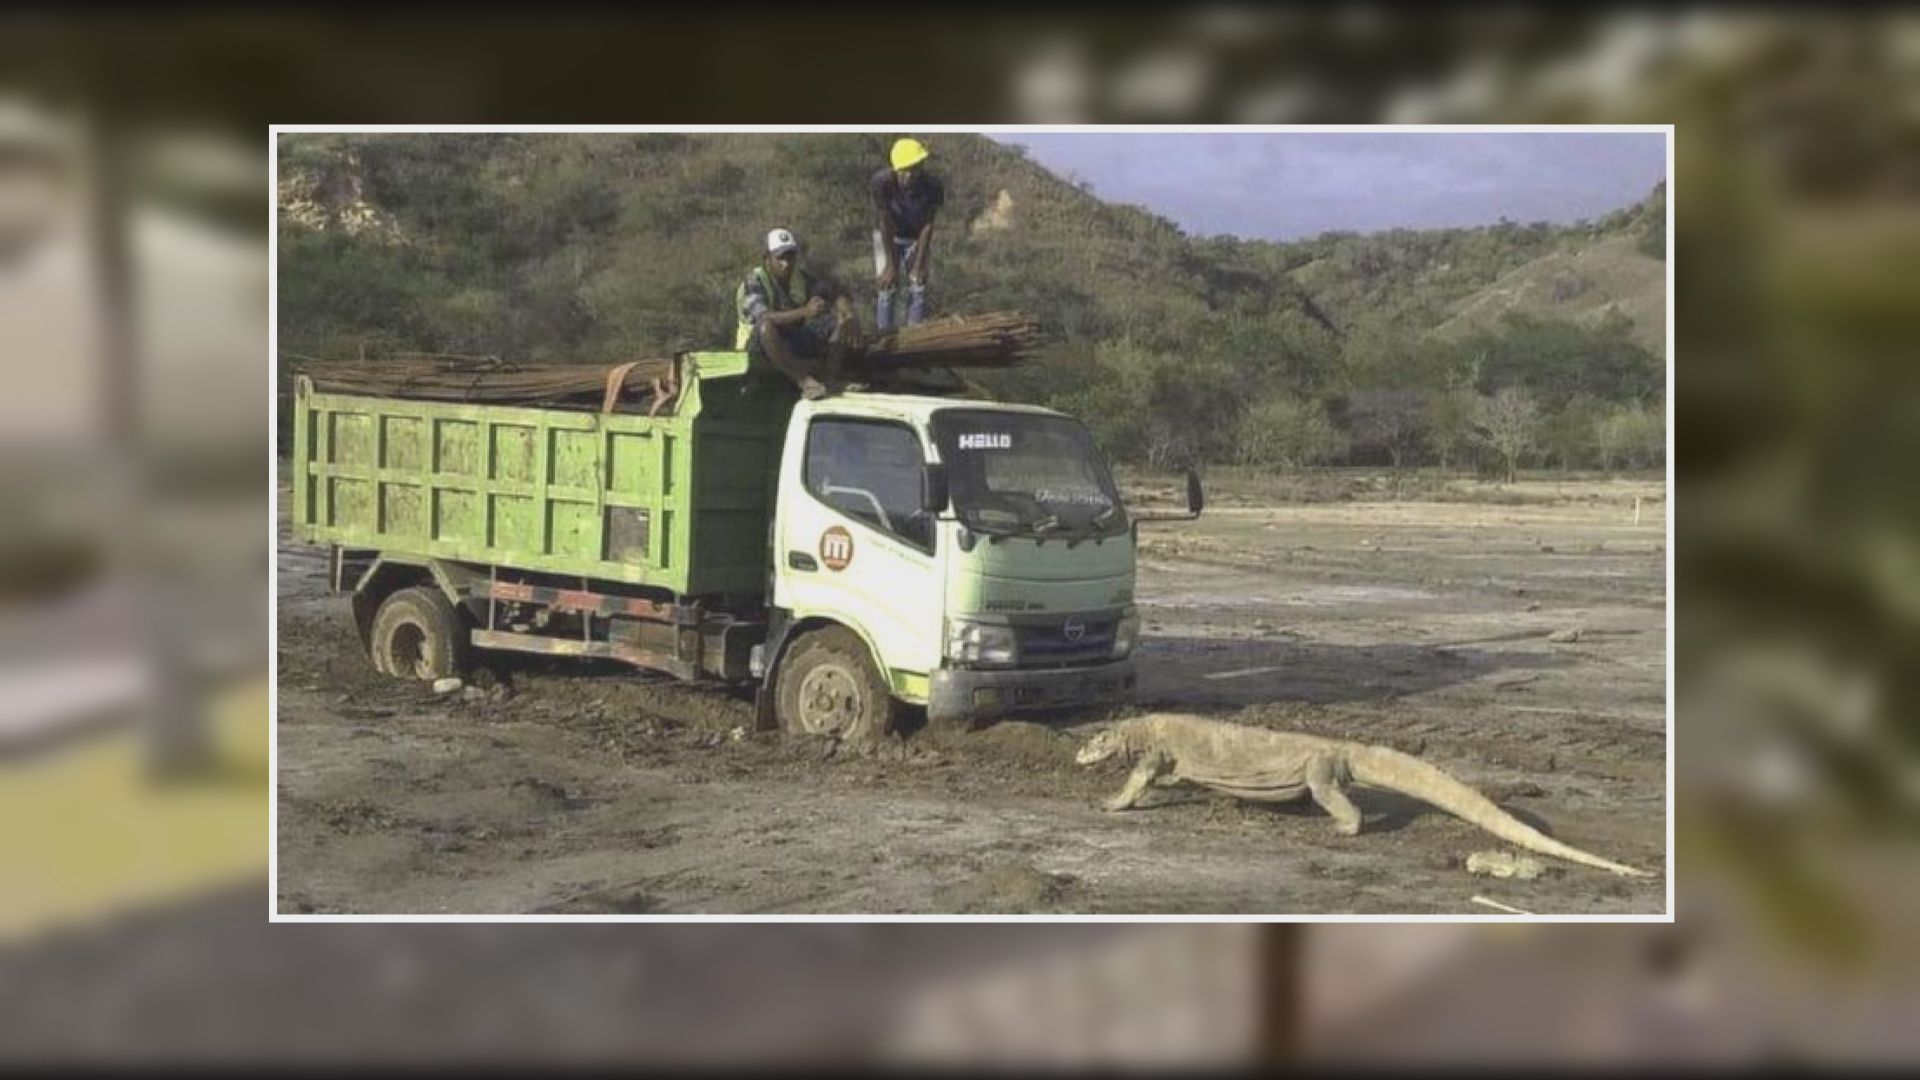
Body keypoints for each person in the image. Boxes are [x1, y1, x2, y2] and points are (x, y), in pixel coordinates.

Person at [735, 227, 858, 399]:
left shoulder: (800, 278)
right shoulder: (754, 282)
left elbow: (834, 292)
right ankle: (804, 380)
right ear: (767, 259)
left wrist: (848, 313)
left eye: (790, 257)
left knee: (838, 321)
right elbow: (764, 317)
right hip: (758, 348)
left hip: (792, 339)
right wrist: (805, 311)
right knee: (766, 327)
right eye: (780, 258)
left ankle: (829, 378)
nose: (786, 263)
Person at [871, 137, 944, 332]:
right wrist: (891, 265)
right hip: (887, 236)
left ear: (922, 166)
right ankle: (884, 335)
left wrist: (919, 264)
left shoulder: (933, 185)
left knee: (918, 285)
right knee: (887, 286)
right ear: (895, 169)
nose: (909, 175)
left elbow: (928, 224)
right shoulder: (882, 183)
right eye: (904, 170)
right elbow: (885, 221)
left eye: (914, 169)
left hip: (917, 236)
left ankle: (915, 334)